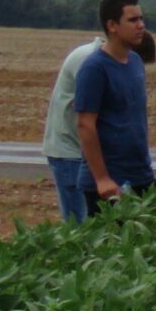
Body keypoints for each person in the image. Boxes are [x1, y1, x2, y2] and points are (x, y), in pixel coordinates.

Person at [73, 0, 155, 210]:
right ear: (112, 25)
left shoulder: (135, 61)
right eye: (133, 20)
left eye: (141, 19)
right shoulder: (95, 68)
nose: (141, 25)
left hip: (140, 175)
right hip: (110, 184)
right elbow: (85, 124)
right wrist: (101, 179)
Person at [41, 31, 106, 222]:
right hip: (69, 151)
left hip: (84, 152)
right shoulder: (89, 61)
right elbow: (87, 111)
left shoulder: (98, 59)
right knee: (78, 224)